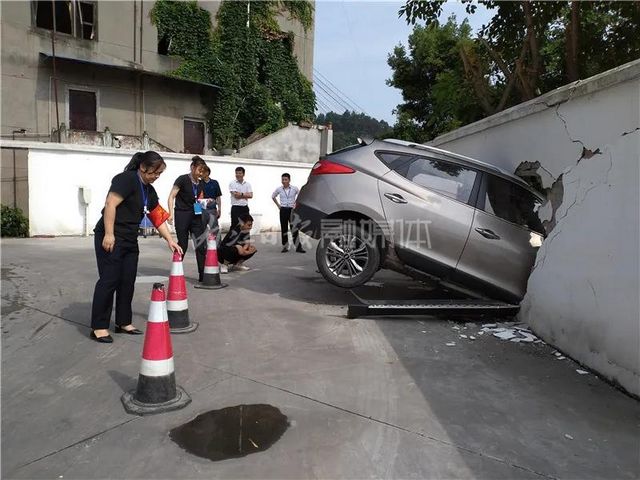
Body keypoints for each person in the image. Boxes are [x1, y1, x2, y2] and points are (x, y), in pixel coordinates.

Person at [90, 151, 181, 343]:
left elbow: (157, 216)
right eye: (154, 173)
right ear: (142, 167)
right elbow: (110, 204)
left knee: (127, 280)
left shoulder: (149, 190)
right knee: (109, 280)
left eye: (159, 174)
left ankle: (123, 322)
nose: (156, 177)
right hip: (111, 236)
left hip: (130, 239)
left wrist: (169, 239)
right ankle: (99, 326)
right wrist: (108, 234)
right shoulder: (126, 179)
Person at [168, 156, 207, 282]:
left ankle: (202, 274)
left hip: (196, 216)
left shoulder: (201, 183)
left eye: (203, 171)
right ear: (192, 167)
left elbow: (199, 199)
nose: (201, 173)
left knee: (201, 245)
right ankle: (176, 271)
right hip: (182, 215)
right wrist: (170, 213)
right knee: (182, 244)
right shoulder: (182, 179)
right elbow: (171, 196)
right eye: (199, 170)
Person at [272, 172, 305, 253]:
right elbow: (273, 196)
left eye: (285, 179)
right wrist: (278, 206)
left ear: (289, 180)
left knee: (294, 228)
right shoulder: (279, 189)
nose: (284, 181)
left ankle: (298, 247)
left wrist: (296, 205)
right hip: (283, 210)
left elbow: (301, 196)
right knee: (284, 229)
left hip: (292, 210)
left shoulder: (294, 188)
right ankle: (285, 246)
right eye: (282, 179)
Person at [201, 165, 222, 235]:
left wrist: (219, 209)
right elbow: (196, 197)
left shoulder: (215, 183)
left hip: (212, 209)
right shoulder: (199, 183)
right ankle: (203, 245)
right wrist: (197, 212)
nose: (201, 174)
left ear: (207, 173)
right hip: (202, 209)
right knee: (201, 229)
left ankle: (217, 245)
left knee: (214, 229)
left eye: (203, 172)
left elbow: (218, 197)